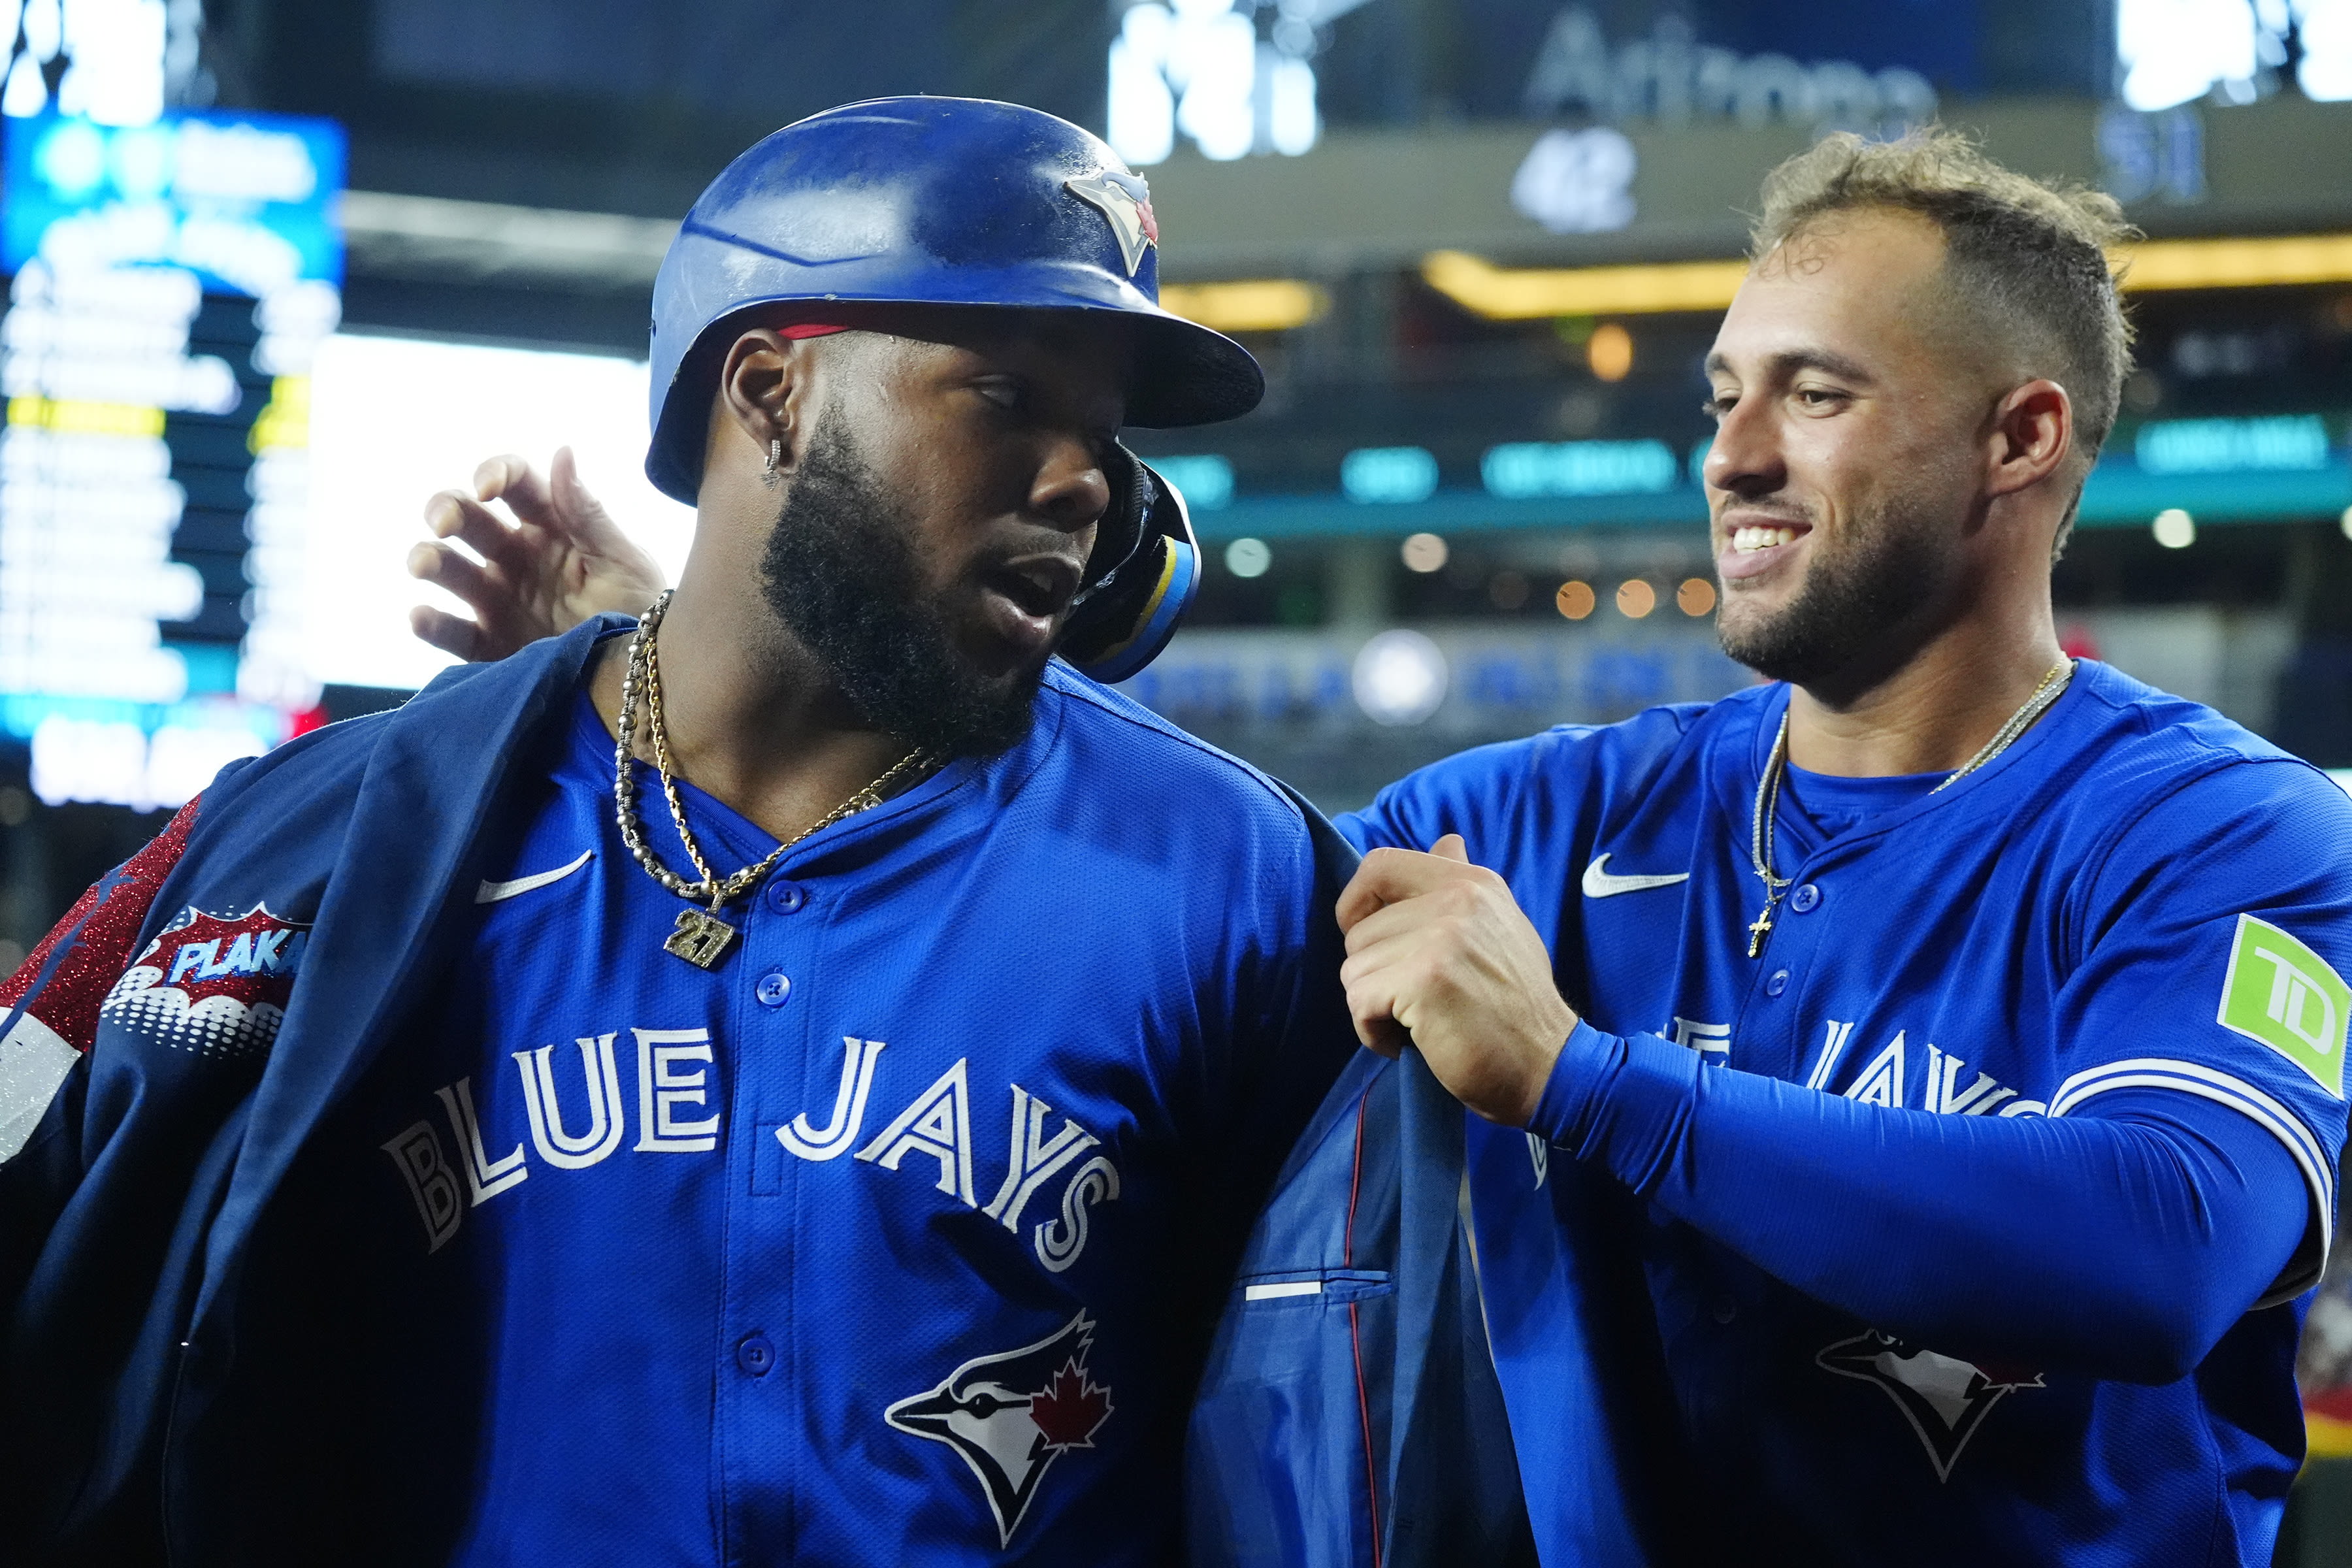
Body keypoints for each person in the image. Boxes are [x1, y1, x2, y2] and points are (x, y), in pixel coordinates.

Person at [442, 130, 2352, 1565]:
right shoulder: (1553, 817)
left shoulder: (2222, 836)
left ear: (2022, 441)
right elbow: (1132, 871)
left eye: (1818, 395)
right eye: (1723, 396)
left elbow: (2166, 1244)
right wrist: (712, 657)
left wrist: (1591, 1086)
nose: (1737, 455)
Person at [0, 97, 1373, 1566]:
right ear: (771, 391)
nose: (1087, 483)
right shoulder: (336, 835)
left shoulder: (1231, 872)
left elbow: (1390, 1409)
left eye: (1101, 433)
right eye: (1006, 398)